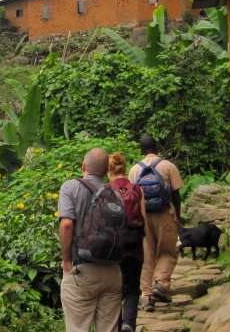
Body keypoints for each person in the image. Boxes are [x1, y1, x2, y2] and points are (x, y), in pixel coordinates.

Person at [57, 148, 122, 332]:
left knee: (78, 328)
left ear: (83, 166)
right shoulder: (115, 194)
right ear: (106, 171)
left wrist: (66, 259)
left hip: (82, 270)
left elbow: (67, 224)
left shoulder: (70, 187)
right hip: (112, 271)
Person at [128, 135, 184, 311]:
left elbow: (133, 198)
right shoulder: (168, 166)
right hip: (164, 215)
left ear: (141, 150)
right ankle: (161, 283)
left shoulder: (134, 170)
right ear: (156, 148)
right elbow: (176, 195)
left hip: (143, 218)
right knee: (168, 252)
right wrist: (178, 217)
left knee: (147, 256)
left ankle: (146, 296)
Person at [108, 152, 145, 332]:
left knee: (114, 290)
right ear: (125, 167)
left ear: (109, 170)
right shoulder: (136, 189)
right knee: (132, 289)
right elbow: (143, 217)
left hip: (113, 247)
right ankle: (129, 323)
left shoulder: (105, 190)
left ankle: (118, 324)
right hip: (134, 245)